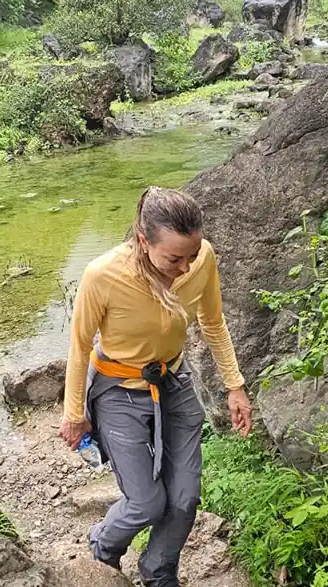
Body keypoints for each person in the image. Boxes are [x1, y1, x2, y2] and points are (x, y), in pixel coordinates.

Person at [59, 186, 253, 587]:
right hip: (117, 389)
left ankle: (158, 571)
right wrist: (74, 414)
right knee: (146, 503)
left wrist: (235, 386)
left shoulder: (202, 258)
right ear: (144, 241)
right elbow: (79, 346)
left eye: (191, 255)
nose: (185, 267)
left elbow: (213, 322)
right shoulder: (103, 275)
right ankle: (104, 547)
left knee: (184, 499)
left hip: (173, 383)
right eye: (174, 259)